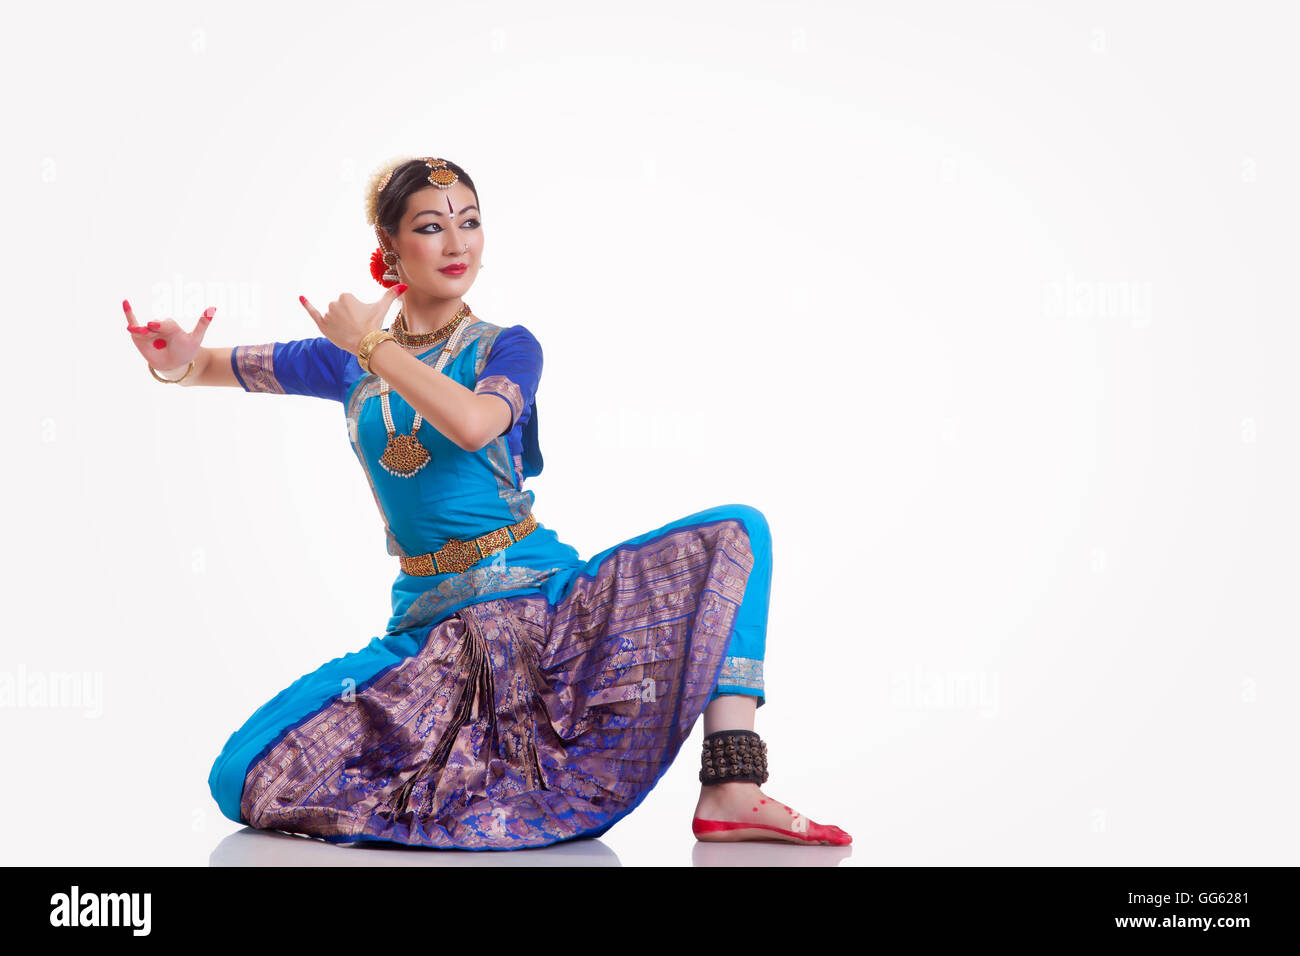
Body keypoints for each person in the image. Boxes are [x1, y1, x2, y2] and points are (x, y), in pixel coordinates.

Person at [125, 156, 851, 850]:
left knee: (735, 533)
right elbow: (211, 367)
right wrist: (176, 361)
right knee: (242, 774)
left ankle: (732, 787)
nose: (456, 241)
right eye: (431, 225)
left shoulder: (505, 347)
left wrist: (375, 347)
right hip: (429, 627)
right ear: (389, 246)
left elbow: (474, 423)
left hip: (539, 603)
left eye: (469, 221)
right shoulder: (347, 359)